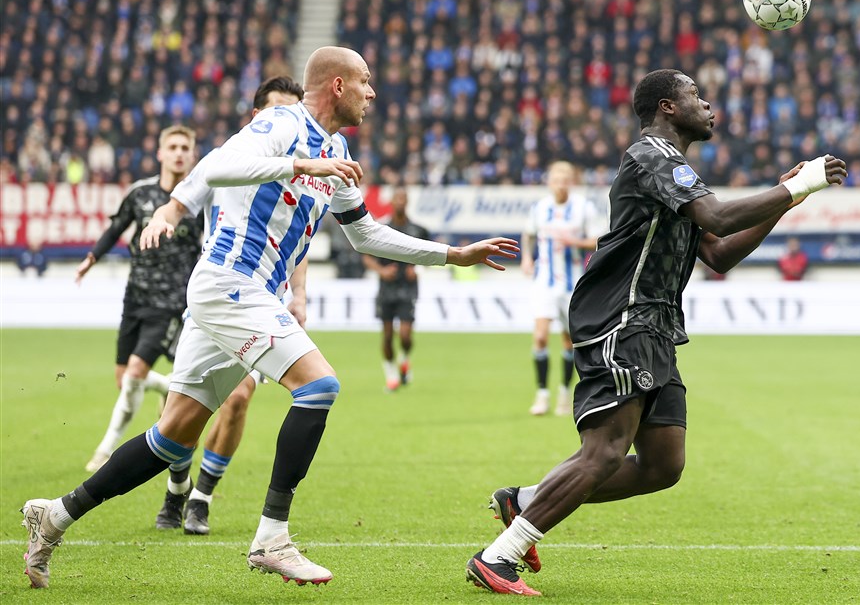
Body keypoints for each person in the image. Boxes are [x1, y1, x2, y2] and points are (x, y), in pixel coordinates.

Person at [21, 46, 518, 589]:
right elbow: (218, 165)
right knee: (320, 386)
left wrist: (451, 254)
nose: (372, 93)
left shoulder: (337, 150)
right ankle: (272, 539)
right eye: (365, 82)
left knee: (171, 438)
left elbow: (366, 233)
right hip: (230, 283)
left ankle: (54, 516)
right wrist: (186, 203)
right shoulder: (283, 122)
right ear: (336, 85)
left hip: (242, 295)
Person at [464, 68, 846, 596]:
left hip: (657, 327)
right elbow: (717, 215)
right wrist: (795, 184)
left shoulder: (676, 170)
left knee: (664, 464)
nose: (708, 105)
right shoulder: (652, 156)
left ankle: (524, 501)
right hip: (622, 318)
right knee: (604, 451)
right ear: (667, 107)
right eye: (696, 95)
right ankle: (496, 557)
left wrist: (787, 202)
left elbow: (717, 251)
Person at [141, 76, 306, 535]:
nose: (291, 124)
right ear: (257, 117)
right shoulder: (231, 161)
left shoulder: (297, 174)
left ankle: (202, 497)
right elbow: (183, 200)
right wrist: (166, 214)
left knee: (239, 398)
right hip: (215, 296)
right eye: (279, 113)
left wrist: (301, 296)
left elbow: (300, 241)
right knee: (182, 408)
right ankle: (176, 486)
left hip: (263, 301)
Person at [78, 125, 202, 473]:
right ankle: (166, 387)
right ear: (161, 153)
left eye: (185, 147)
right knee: (125, 380)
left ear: (192, 155)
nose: (179, 153)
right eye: (173, 146)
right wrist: (92, 258)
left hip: (172, 303)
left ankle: (104, 451)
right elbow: (116, 229)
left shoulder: (200, 200)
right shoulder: (140, 193)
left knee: (134, 372)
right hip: (135, 298)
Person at [520, 161, 605, 416]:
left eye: (565, 180)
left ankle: (565, 394)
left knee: (569, 341)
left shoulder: (583, 208)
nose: (560, 184)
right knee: (540, 336)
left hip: (572, 284)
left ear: (571, 182)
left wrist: (575, 242)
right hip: (543, 282)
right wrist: (526, 258)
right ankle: (542, 394)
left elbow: (599, 241)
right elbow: (528, 234)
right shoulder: (540, 208)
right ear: (549, 182)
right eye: (556, 180)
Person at [361, 188, 430, 391]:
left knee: (406, 335)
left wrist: (418, 269)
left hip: (407, 288)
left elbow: (431, 253)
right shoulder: (381, 227)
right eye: (397, 198)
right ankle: (391, 374)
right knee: (388, 335)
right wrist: (381, 270)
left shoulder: (418, 230)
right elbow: (365, 254)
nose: (400, 202)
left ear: (407, 201)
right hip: (387, 289)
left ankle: (405, 359)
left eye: (403, 198)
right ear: (391, 202)